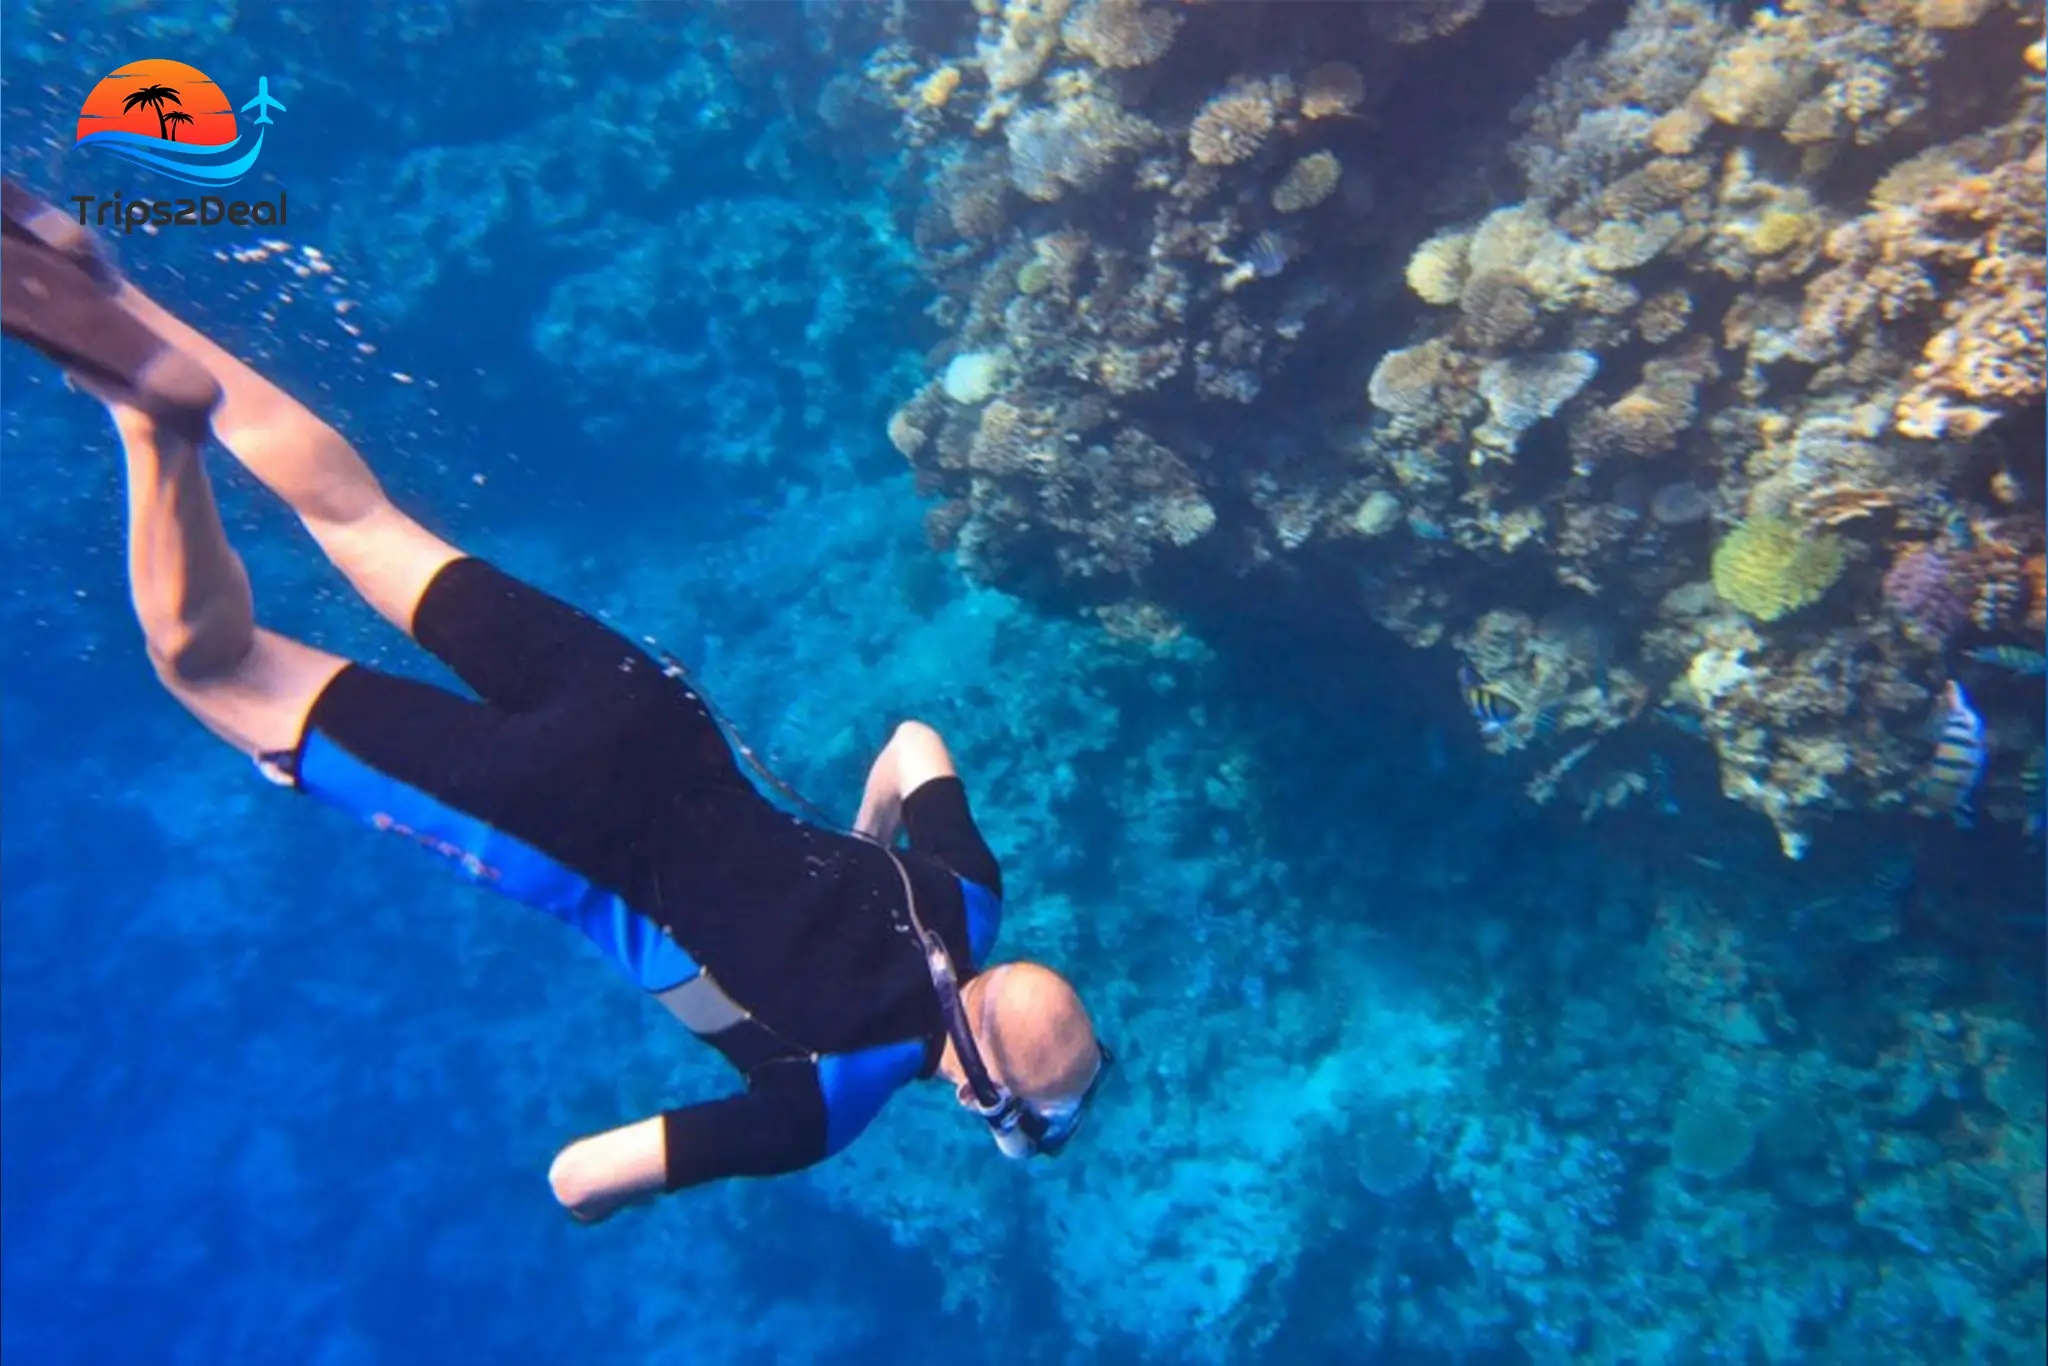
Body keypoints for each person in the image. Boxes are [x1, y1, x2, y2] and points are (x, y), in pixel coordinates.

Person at [0, 181, 1110, 1223]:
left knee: (363, 518)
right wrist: (611, 1201)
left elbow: (914, 738)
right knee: (212, 667)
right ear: (982, 1102)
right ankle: (154, 428)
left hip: (643, 712)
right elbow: (575, 1175)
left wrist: (859, 839)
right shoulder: (822, 1105)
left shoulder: (966, 896)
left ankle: (108, 290)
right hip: (553, 822)